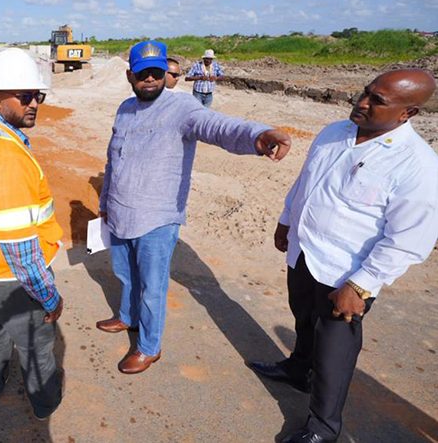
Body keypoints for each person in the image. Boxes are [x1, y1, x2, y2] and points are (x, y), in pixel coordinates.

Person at [247, 69, 438, 443]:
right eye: (366, 92)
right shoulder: (334, 132)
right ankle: (297, 370)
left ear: (407, 114)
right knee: (302, 318)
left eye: (377, 100)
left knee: (335, 353)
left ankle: (323, 428)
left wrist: (361, 285)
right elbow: (305, 181)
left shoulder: (418, 166)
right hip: (305, 252)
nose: (362, 102)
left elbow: (408, 239)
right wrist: (286, 221)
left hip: (347, 274)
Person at [97, 40, 291, 374]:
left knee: (151, 289)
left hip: (156, 218)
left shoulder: (182, 109)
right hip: (119, 211)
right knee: (125, 275)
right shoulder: (125, 108)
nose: (150, 80)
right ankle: (126, 318)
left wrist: (257, 136)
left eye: (157, 73)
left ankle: (148, 347)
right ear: (130, 75)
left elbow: (219, 126)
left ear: (165, 75)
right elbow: (113, 159)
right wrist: (104, 202)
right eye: (143, 74)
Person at [0, 48, 64, 420]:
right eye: (25, 96)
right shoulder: (4, 155)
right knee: (37, 341)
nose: (34, 103)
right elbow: (21, 250)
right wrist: (50, 298)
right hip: (9, 273)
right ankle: (44, 401)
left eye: (38, 95)